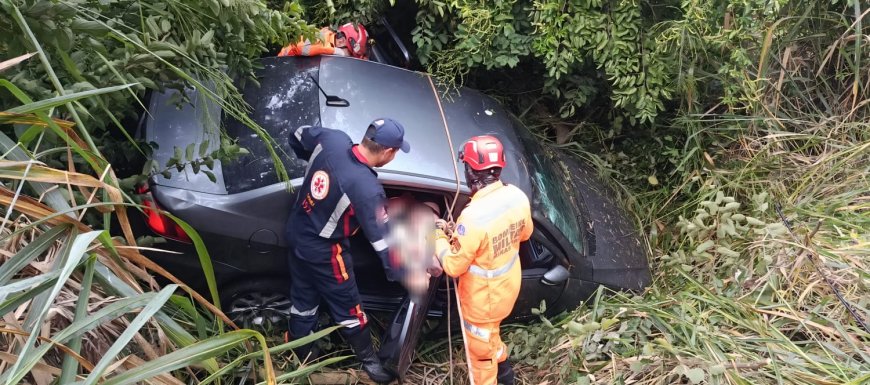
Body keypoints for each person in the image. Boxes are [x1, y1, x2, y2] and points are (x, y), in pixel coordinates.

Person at [285, 118, 410, 384]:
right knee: (348, 305)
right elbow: (384, 244)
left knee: (303, 296)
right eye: (397, 152)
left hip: (297, 227)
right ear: (388, 152)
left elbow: (297, 135)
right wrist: (405, 273)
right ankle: (370, 362)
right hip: (324, 250)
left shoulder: (333, 139)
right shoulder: (366, 189)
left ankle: (298, 346)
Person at [432, 135, 533, 385]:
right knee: (492, 338)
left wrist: (436, 236)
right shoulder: (517, 197)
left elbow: (454, 266)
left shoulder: (473, 217)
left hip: (482, 303)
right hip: (506, 290)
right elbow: (525, 234)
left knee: (481, 360)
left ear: (470, 171)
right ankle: (508, 378)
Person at [278, 22, 368, 59]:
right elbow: (299, 48)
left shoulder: (328, 40)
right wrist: (335, 51)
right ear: (342, 41)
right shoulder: (321, 37)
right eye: (349, 53)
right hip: (282, 63)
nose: (347, 56)